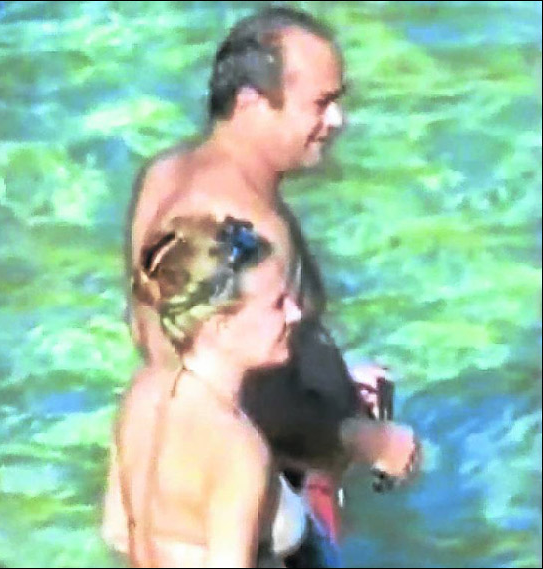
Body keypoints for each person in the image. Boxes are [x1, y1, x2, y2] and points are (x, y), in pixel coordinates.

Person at [124, 5, 421, 557]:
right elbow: (249, 402)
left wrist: (334, 376)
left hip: (173, 483)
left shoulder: (165, 175)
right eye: (321, 103)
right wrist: (365, 439)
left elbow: (179, 344)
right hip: (251, 509)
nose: (338, 121)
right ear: (250, 104)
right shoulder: (250, 223)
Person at [103, 214, 311, 567]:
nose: (295, 314)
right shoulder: (237, 449)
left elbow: (119, 530)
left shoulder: (142, 391)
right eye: (277, 304)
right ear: (220, 328)